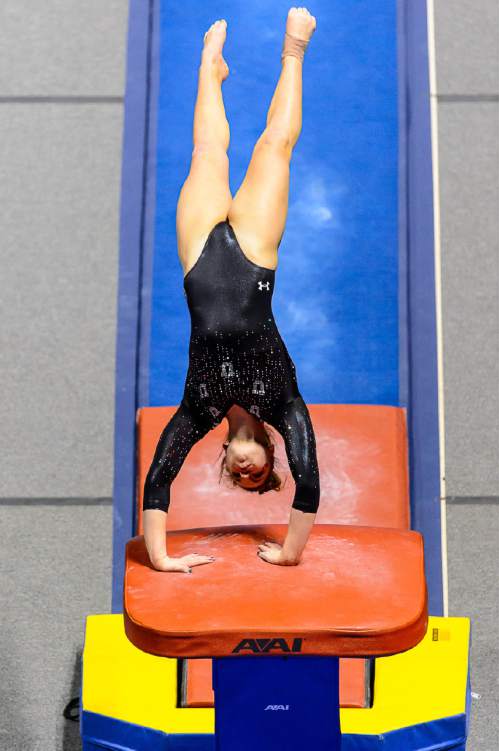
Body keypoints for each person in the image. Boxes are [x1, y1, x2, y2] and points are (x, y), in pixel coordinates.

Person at [143, 8, 319, 573]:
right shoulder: (284, 404)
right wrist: (290, 554)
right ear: (270, 452)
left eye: (238, 478)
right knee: (273, 147)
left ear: (223, 455)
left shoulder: (200, 408)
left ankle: (209, 69)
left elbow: (158, 478)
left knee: (205, 154)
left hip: (198, 259)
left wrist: (162, 557)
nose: (248, 474)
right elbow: (310, 479)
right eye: (260, 475)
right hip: (254, 255)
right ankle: (294, 50)